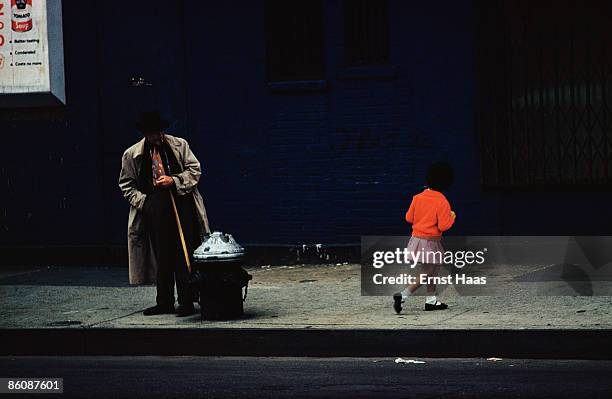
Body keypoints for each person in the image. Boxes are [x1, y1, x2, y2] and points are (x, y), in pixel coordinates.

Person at [118, 111, 210, 317]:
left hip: (181, 204)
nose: (158, 136)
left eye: (160, 131)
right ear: (145, 133)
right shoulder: (132, 154)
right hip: (155, 210)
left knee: (183, 252)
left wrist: (175, 181)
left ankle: (186, 301)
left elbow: (195, 170)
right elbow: (126, 185)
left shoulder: (179, 145)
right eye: (153, 133)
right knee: (162, 256)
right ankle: (164, 302)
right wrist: (144, 203)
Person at [393, 161, 456, 313]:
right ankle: (403, 295)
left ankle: (431, 301)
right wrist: (452, 216)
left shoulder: (417, 197)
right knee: (428, 272)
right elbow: (443, 226)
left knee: (433, 270)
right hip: (430, 242)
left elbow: (409, 218)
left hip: (417, 240)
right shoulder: (442, 201)